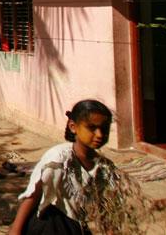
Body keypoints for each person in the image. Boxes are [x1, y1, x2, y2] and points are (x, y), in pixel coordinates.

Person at [9, 99, 119, 234]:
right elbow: (33, 196)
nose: (99, 134)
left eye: (104, 128)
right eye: (92, 128)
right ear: (73, 127)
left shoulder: (105, 168)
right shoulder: (59, 159)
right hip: (50, 226)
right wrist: (15, 231)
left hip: (78, 227)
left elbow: (107, 209)